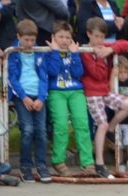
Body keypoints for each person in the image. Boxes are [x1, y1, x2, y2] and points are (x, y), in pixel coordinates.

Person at [81, 17, 128, 179]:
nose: (99, 40)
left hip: (105, 91)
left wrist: (111, 50)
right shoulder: (86, 51)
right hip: (92, 92)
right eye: (96, 36)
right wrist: (100, 57)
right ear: (89, 34)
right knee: (101, 124)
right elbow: (96, 74)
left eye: (102, 37)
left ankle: (112, 127)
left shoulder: (104, 47)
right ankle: (99, 163)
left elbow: (126, 44)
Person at [45, 20, 96, 177]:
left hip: (75, 91)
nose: (65, 41)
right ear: (54, 37)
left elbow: (78, 73)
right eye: (61, 37)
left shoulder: (74, 52)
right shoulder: (48, 52)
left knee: (82, 124)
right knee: (61, 125)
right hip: (56, 92)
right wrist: (54, 53)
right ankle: (58, 160)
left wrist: (74, 55)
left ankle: (87, 163)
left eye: (68, 37)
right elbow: (52, 72)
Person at [6, 19, 53, 183]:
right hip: (22, 96)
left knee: (41, 130)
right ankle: (25, 165)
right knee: (27, 130)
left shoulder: (39, 52)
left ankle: (41, 165)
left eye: (32, 40)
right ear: (19, 36)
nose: (30, 43)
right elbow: (11, 78)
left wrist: (41, 98)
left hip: (38, 96)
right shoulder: (13, 53)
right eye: (26, 40)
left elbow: (44, 77)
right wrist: (24, 97)